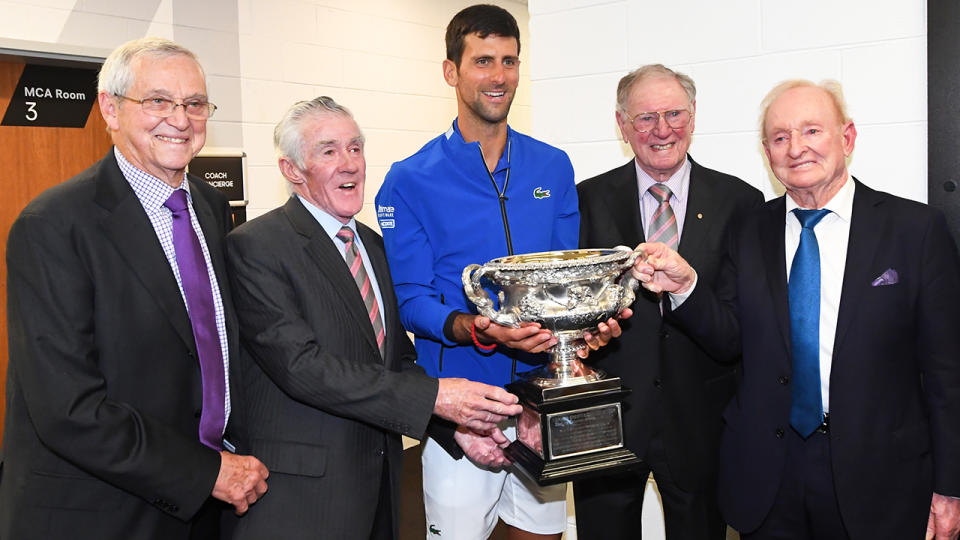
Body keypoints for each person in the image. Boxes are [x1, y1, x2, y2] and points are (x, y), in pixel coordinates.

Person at [632, 80, 960, 539]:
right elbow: (728, 339)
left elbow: (947, 374)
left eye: (811, 131)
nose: (797, 148)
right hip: (769, 478)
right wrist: (687, 287)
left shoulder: (915, 230)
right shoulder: (748, 228)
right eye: (781, 137)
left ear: (846, 138)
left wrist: (949, 487)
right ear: (767, 153)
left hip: (881, 481)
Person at [0, 37, 268, 540]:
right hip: (102, 512)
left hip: (206, 509)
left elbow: (208, 351)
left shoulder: (210, 208)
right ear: (110, 109)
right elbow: (67, 409)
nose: (180, 119)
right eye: (158, 101)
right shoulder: (53, 225)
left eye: (194, 104)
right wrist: (204, 472)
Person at [376, 5, 626, 539]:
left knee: (541, 534)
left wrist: (587, 330)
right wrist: (478, 328)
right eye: (483, 60)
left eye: (509, 61)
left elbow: (566, 285)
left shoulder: (552, 166)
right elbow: (412, 301)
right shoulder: (408, 181)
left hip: (543, 393)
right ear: (451, 71)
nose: (499, 76)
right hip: (465, 404)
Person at [224, 96, 525, 540]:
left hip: (379, 489)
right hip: (301, 501)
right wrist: (436, 398)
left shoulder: (373, 246)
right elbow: (302, 368)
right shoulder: (257, 246)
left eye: (355, 147)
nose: (350, 164)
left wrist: (452, 426)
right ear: (292, 170)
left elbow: (395, 361)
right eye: (328, 151)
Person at [574, 64, 763, 540]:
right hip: (608, 423)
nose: (662, 130)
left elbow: (743, 327)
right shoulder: (584, 200)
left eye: (675, 113)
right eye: (645, 118)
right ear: (622, 124)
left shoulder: (742, 202)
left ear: (694, 115)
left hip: (701, 424)